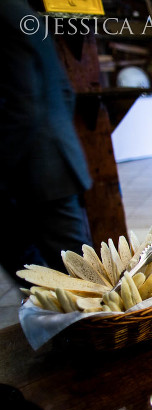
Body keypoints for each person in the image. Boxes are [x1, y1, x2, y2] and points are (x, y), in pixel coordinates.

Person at [0, 0, 93, 284]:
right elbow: (66, 91)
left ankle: (70, 326)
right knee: (76, 271)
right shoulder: (21, 11)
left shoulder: (4, 15)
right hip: (53, 161)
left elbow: (24, 107)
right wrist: (56, 140)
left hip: (33, 168)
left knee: (73, 279)